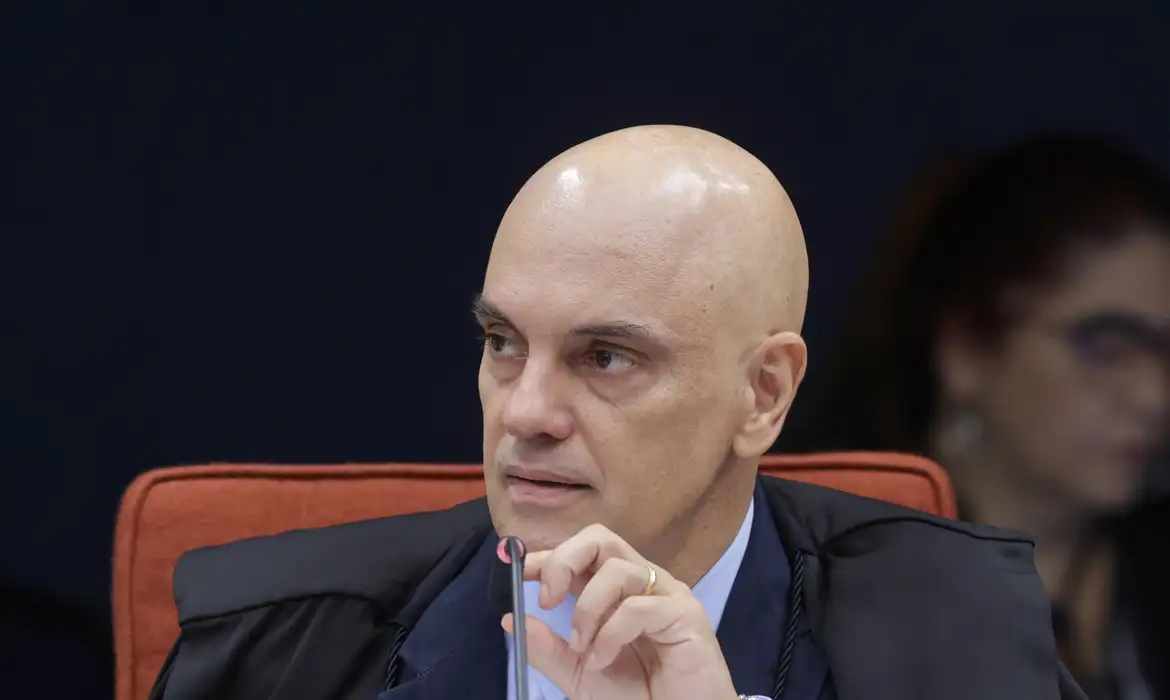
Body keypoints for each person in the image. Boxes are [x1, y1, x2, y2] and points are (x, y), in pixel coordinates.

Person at [149, 125, 1087, 700]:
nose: (526, 412)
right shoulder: (278, 648)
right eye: (502, 342)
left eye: (605, 357)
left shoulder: (957, 638)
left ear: (762, 394)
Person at [787, 135, 1170, 699]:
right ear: (965, 348)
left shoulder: (1153, 565)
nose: (1155, 397)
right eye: (1106, 346)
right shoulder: (825, 568)